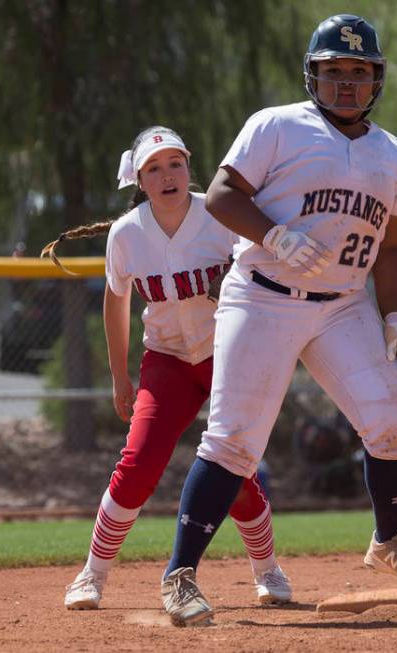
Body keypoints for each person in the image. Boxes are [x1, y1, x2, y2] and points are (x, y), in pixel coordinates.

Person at [159, 14, 397, 627]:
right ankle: (180, 576)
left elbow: (392, 249)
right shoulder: (278, 125)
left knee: (396, 422)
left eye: (358, 72)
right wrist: (276, 236)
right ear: (312, 76)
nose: (346, 83)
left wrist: (395, 318)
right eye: (334, 71)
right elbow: (222, 195)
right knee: (234, 440)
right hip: (263, 292)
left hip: (343, 305)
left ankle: (389, 541)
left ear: (377, 80)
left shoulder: (394, 155)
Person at [44, 125, 291, 613]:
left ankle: (267, 569)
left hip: (227, 354)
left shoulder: (219, 214)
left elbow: (261, 273)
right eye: (154, 168)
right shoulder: (127, 233)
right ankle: (91, 574)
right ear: (139, 180)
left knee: (235, 469)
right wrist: (120, 376)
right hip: (168, 360)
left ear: (189, 166)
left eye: (175, 163)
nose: (167, 174)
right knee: (137, 464)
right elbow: (115, 303)